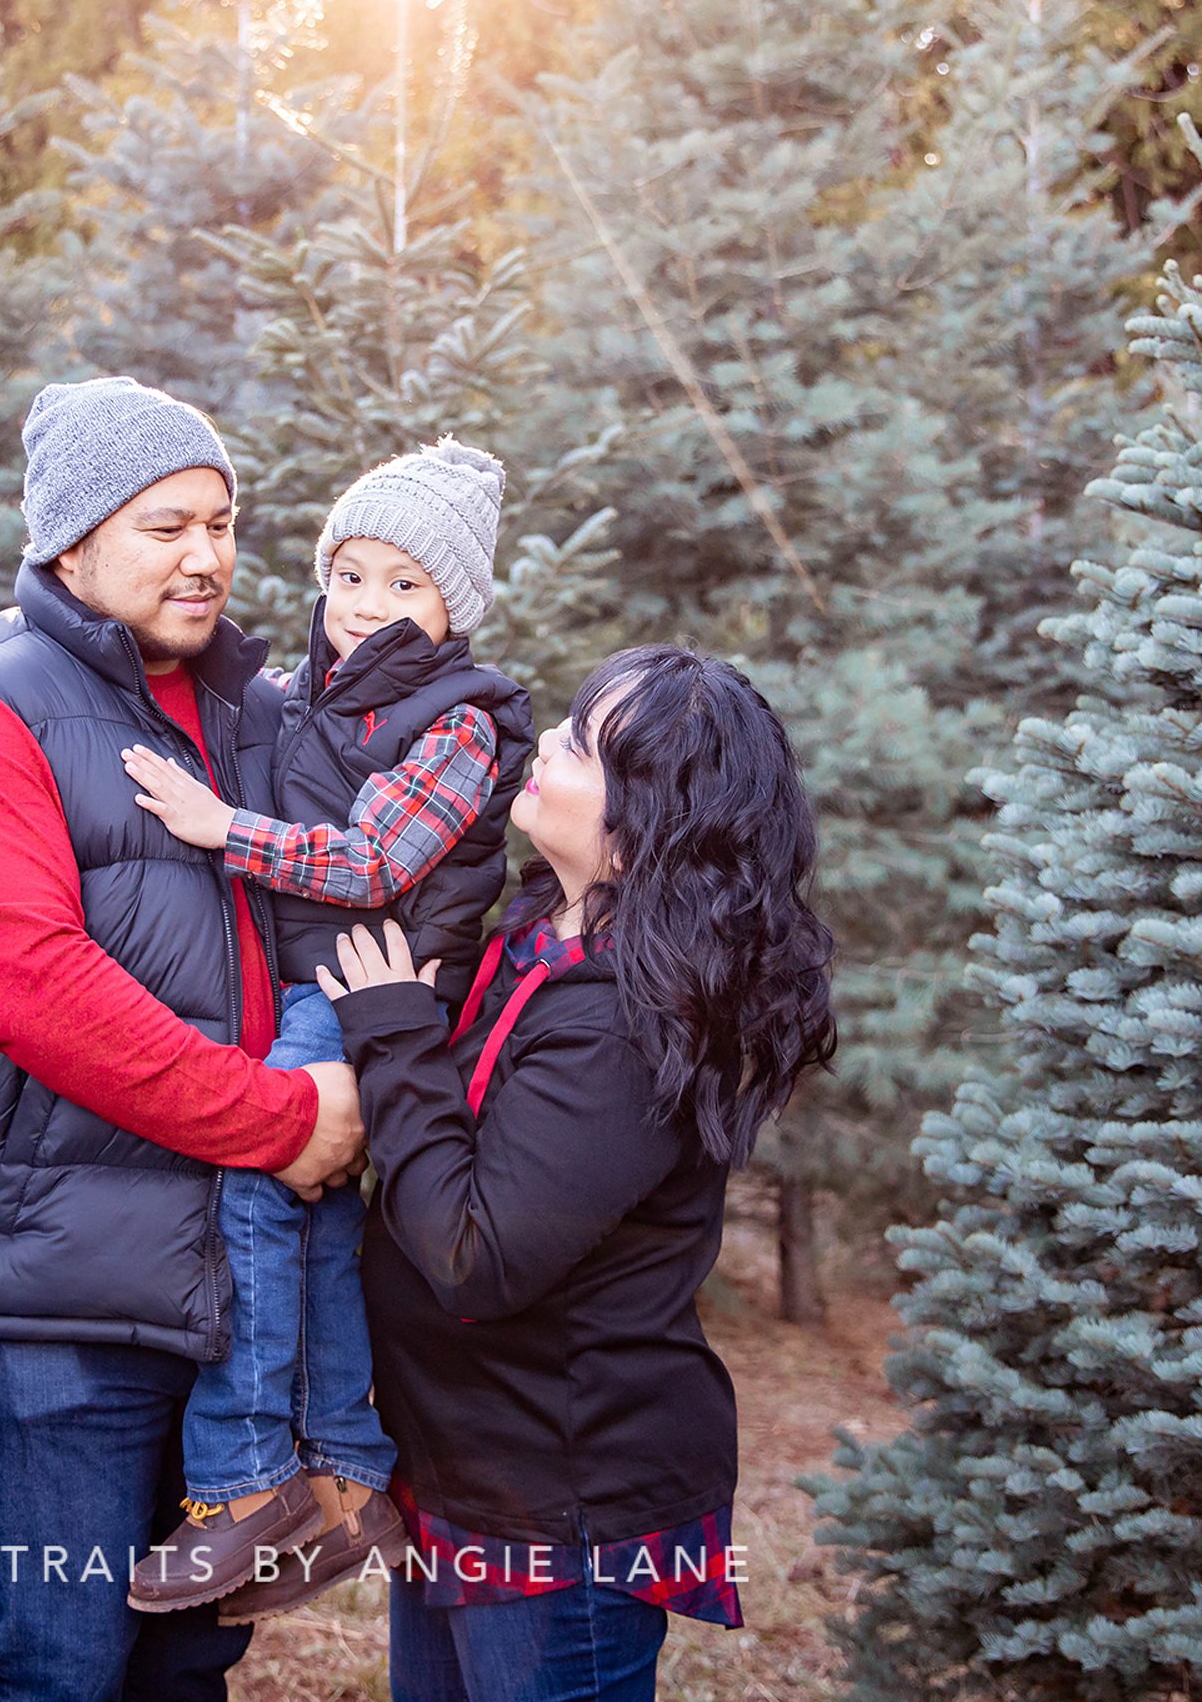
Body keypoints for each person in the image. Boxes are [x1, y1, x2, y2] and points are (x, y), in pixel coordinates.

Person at [0, 376, 367, 1702]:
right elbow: (33, 989)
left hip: (230, 1278)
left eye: (222, 522)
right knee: (63, 1661)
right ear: (70, 543)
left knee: (189, 1656)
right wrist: (283, 1123)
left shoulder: (258, 712)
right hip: (55, 1288)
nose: (205, 556)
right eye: (165, 526)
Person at [321, 644, 838, 1702]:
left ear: (641, 826)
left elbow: (474, 1255)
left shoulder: (627, 1021)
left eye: (580, 744)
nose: (545, 743)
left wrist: (394, 1035)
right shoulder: (540, 938)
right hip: (467, 1461)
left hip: (560, 1501)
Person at [114, 440, 537, 1620]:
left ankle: (247, 1478)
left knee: (258, 1180)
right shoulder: (311, 687)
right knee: (319, 1223)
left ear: (454, 604)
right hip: (312, 979)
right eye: (350, 574)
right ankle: (348, 1481)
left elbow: (372, 862)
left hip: (363, 982)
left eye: (404, 584)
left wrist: (219, 826)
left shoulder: (458, 720)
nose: (365, 604)